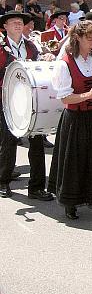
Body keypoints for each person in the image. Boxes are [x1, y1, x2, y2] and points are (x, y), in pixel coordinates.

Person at [47, 20, 92, 226]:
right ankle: (71, 202)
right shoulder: (65, 63)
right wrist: (88, 94)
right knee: (76, 160)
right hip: (76, 119)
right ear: (77, 38)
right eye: (89, 37)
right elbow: (65, 98)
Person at [0, 12, 49, 199]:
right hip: (7, 99)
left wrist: (44, 60)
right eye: (13, 23)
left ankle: (36, 187)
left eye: (20, 23)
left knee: (36, 141)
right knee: (9, 140)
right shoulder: (1, 48)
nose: (18, 25)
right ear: (5, 26)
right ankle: (3, 181)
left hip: (30, 99)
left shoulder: (30, 46)